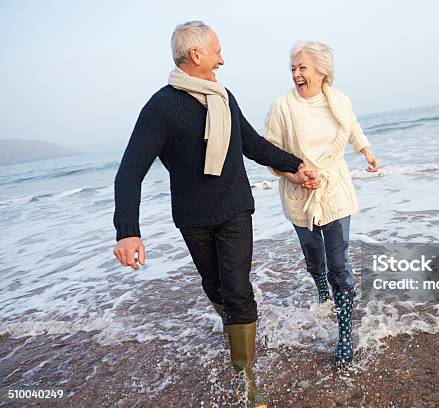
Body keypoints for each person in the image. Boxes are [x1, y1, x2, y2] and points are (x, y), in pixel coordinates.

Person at [112, 21, 318, 407]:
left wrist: (294, 165)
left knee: (238, 289)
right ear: (196, 55)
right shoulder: (161, 108)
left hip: (235, 209)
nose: (222, 59)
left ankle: (246, 378)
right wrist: (127, 231)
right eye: (216, 52)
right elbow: (130, 171)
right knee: (215, 287)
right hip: (193, 217)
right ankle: (238, 330)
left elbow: (252, 144)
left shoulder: (224, 97)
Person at [264, 41, 380, 364]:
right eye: (293, 69)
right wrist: (295, 174)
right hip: (299, 194)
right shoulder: (281, 108)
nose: (296, 75)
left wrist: (366, 151)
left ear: (322, 72)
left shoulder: (339, 101)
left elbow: (351, 126)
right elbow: (270, 154)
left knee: (339, 262)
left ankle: (344, 332)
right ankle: (320, 288)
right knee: (315, 259)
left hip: (334, 190)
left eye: (302, 68)